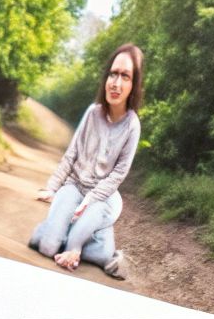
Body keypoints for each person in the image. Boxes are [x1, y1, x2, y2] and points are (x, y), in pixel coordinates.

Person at [30, 43, 143, 279]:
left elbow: (118, 174)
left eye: (125, 76)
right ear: (106, 78)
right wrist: (52, 188)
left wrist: (88, 202)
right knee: (46, 246)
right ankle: (66, 233)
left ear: (133, 85)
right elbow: (71, 154)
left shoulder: (132, 125)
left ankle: (87, 243)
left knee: (79, 243)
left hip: (104, 198)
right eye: (113, 74)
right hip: (75, 186)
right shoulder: (93, 112)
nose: (116, 83)